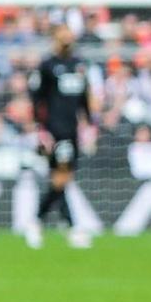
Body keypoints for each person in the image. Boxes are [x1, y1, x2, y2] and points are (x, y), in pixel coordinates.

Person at [26, 25, 96, 250]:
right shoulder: (47, 66)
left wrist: (89, 124)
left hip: (72, 129)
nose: (67, 38)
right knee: (61, 177)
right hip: (55, 130)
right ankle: (69, 227)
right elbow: (37, 99)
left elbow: (84, 98)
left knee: (62, 179)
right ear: (55, 38)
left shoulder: (78, 65)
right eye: (63, 35)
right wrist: (41, 130)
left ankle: (39, 222)